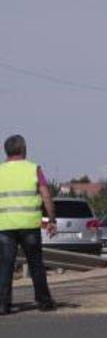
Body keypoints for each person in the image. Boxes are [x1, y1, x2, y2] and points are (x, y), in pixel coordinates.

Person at [0, 135, 57, 315]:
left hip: (5, 226)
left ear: (6, 151)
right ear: (24, 150)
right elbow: (46, 195)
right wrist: (51, 220)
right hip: (30, 226)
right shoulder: (33, 169)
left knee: (5, 266)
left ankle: (3, 304)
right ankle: (44, 301)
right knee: (36, 264)